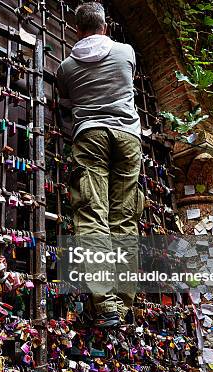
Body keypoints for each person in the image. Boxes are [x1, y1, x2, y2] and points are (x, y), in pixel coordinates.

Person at [56, 2, 143, 327]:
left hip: (89, 136)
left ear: (76, 30)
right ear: (105, 26)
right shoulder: (126, 52)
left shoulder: (65, 68)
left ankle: (105, 304)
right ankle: (123, 305)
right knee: (124, 219)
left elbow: (66, 105)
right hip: (127, 137)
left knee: (92, 215)